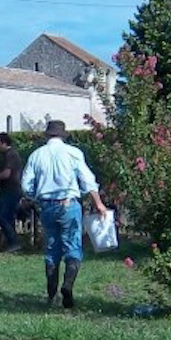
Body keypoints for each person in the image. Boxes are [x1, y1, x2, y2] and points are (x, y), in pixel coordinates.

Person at [20, 120, 108, 309]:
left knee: (52, 249)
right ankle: (67, 287)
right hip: (69, 204)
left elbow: (26, 184)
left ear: (47, 135)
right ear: (62, 135)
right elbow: (88, 180)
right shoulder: (73, 153)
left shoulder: (36, 155)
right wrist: (98, 203)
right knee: (72, 246)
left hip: (47, 206)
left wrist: (34, 196)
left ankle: (51, 296)